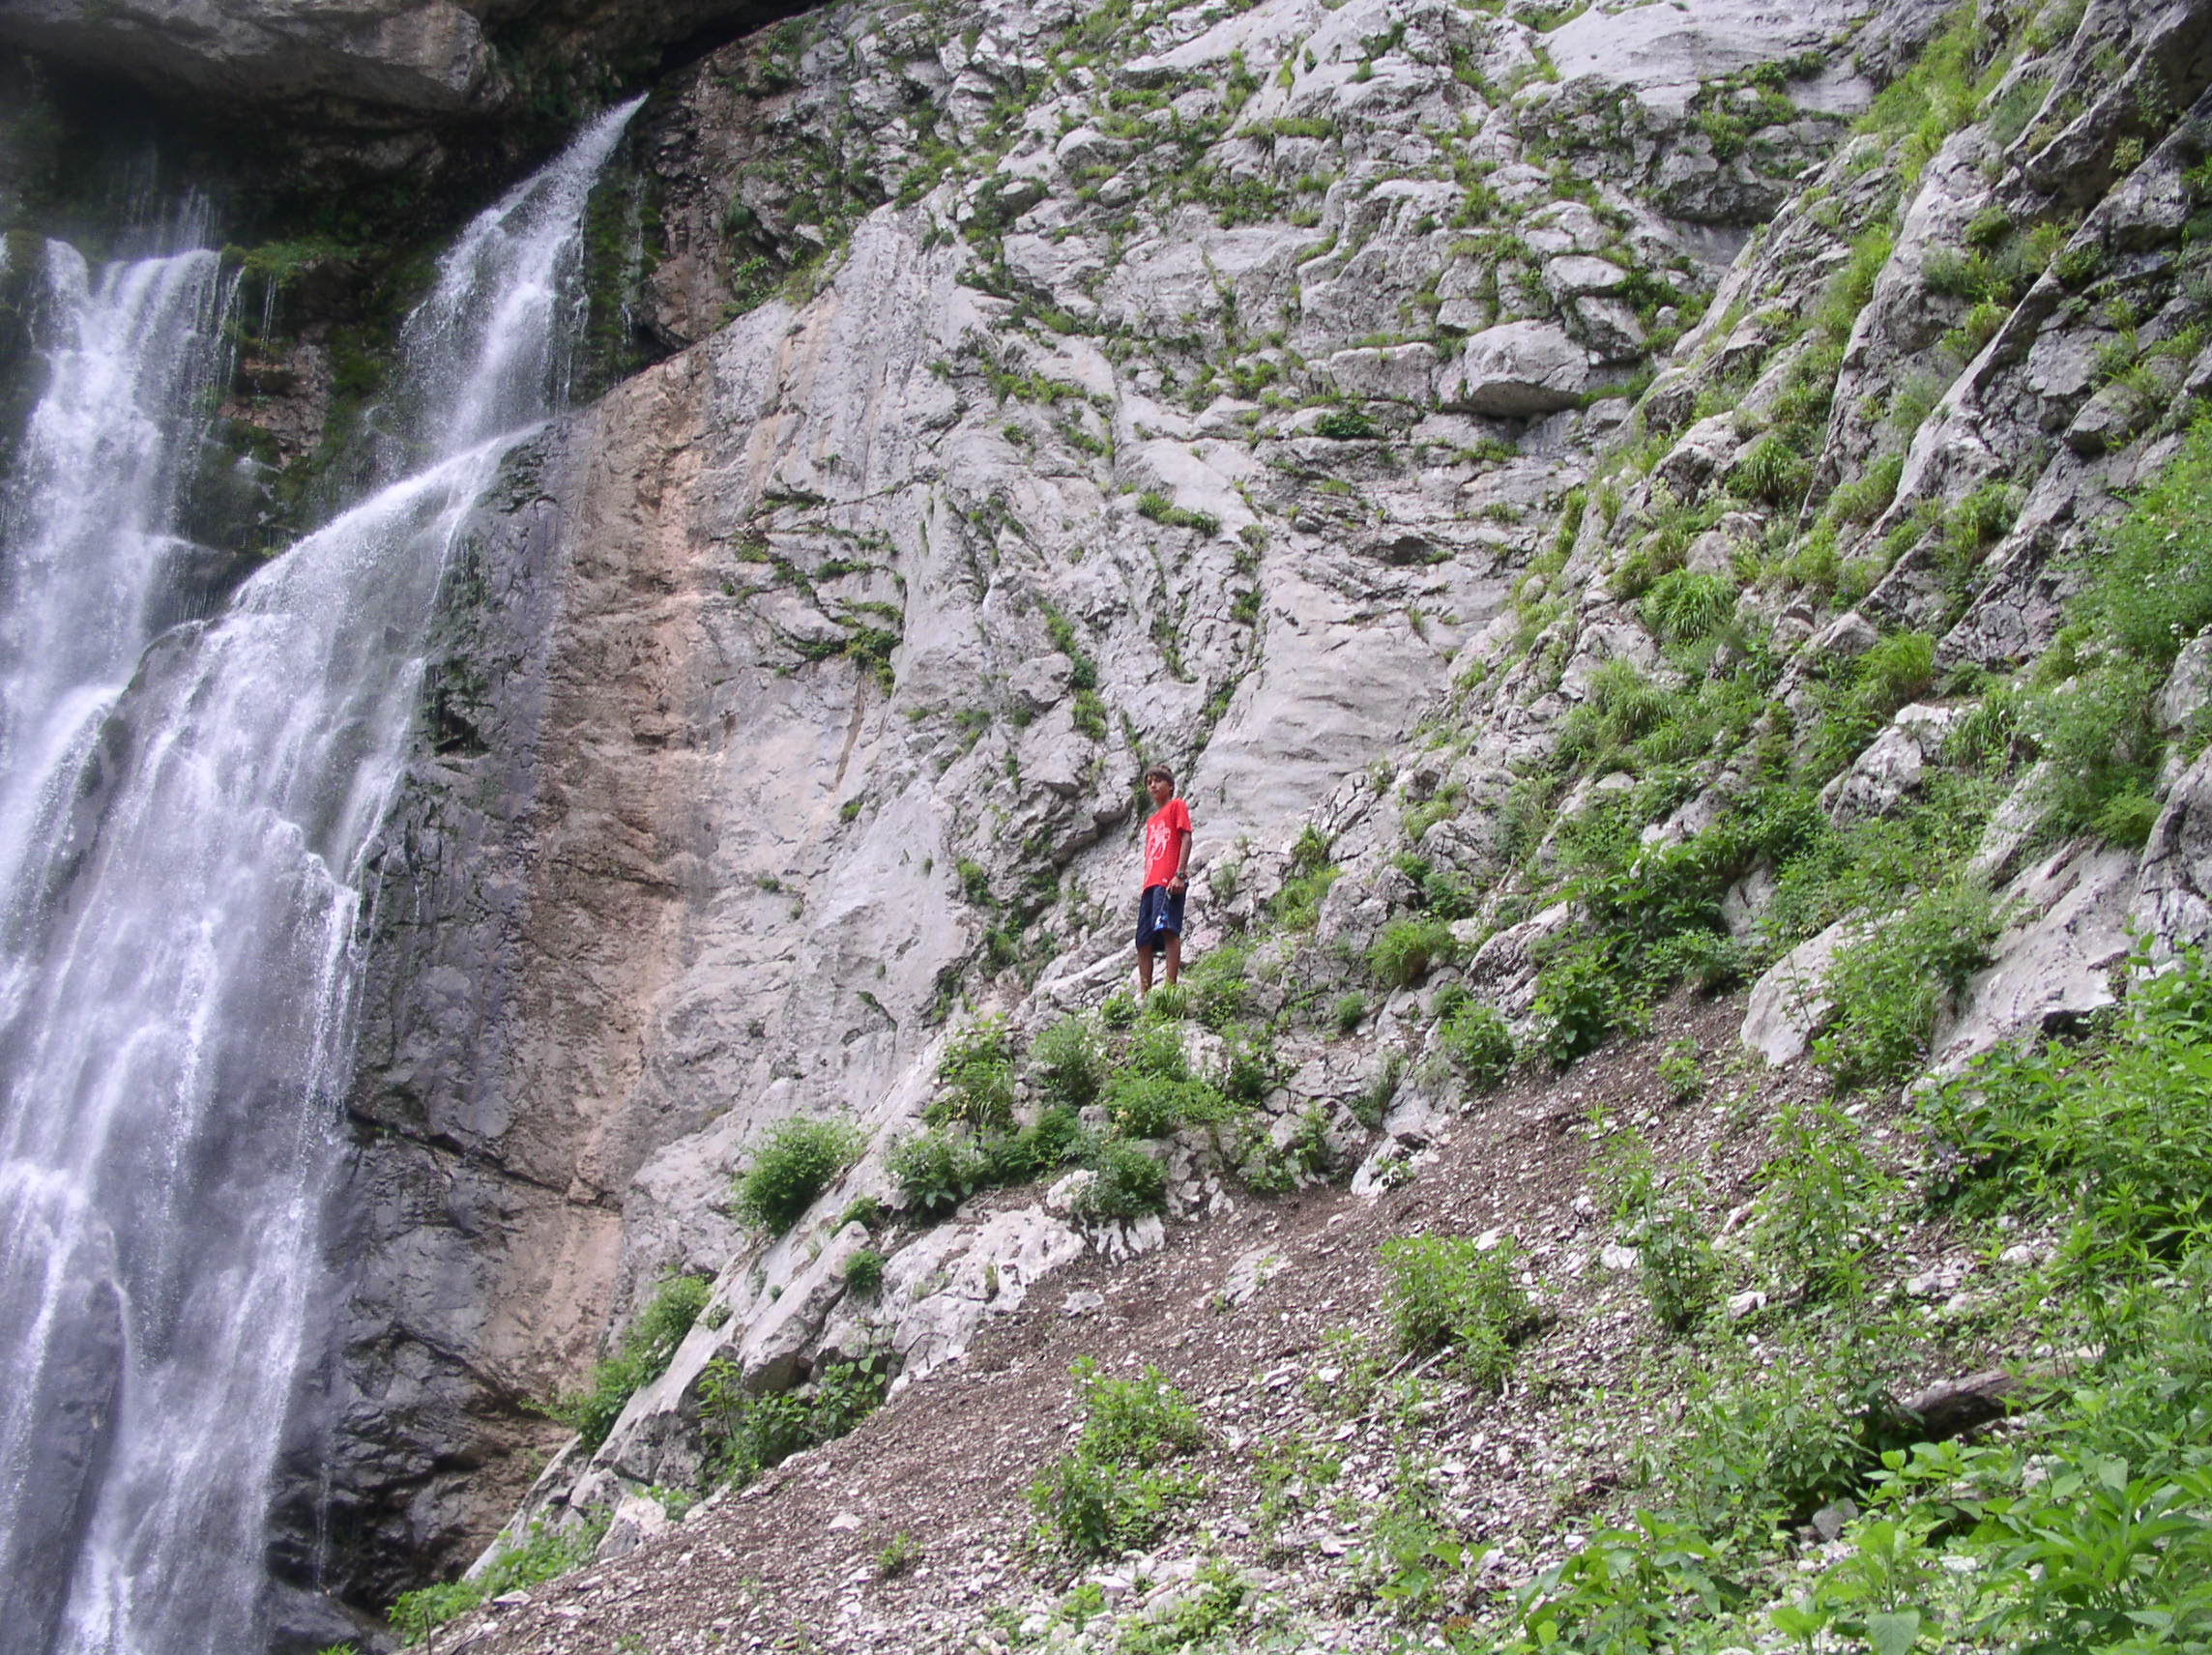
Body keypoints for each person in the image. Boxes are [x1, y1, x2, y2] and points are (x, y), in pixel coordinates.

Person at [1135, 765, 1193, 995]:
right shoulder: (1151, 821)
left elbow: (1186, 838)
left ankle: (1170, 989)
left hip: (1169, 879)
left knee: (1168, 929)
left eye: (1158, 780)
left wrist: (1180, 874)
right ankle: (1144, 994)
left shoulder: (1177, 805)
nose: (1153, 785)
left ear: (1169, 785)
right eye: (1149, 782)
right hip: (1150, 884)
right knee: (1143, 940)